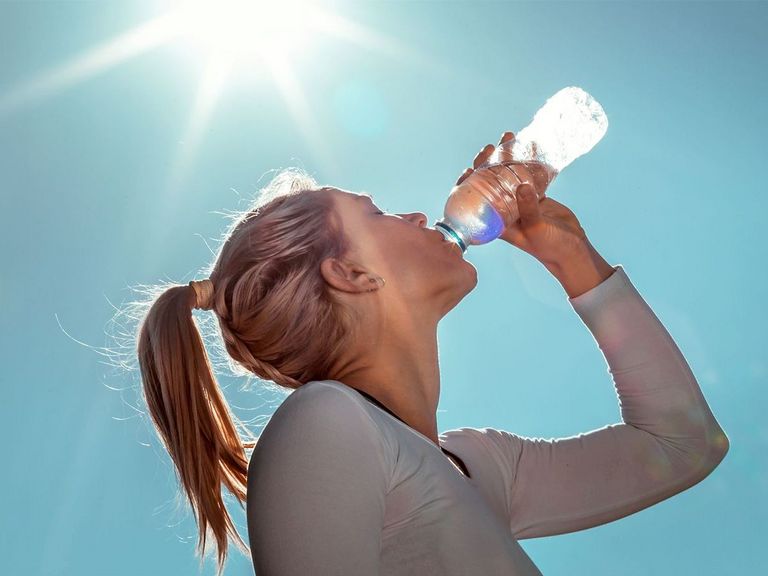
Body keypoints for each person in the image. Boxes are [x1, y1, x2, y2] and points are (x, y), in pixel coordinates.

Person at [135, 132, 729, 575]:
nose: (417, 215)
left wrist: (570, 256)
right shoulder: (324, 423)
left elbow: (682, 444)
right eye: (377, 214)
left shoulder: (478, 464)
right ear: (351, 273)